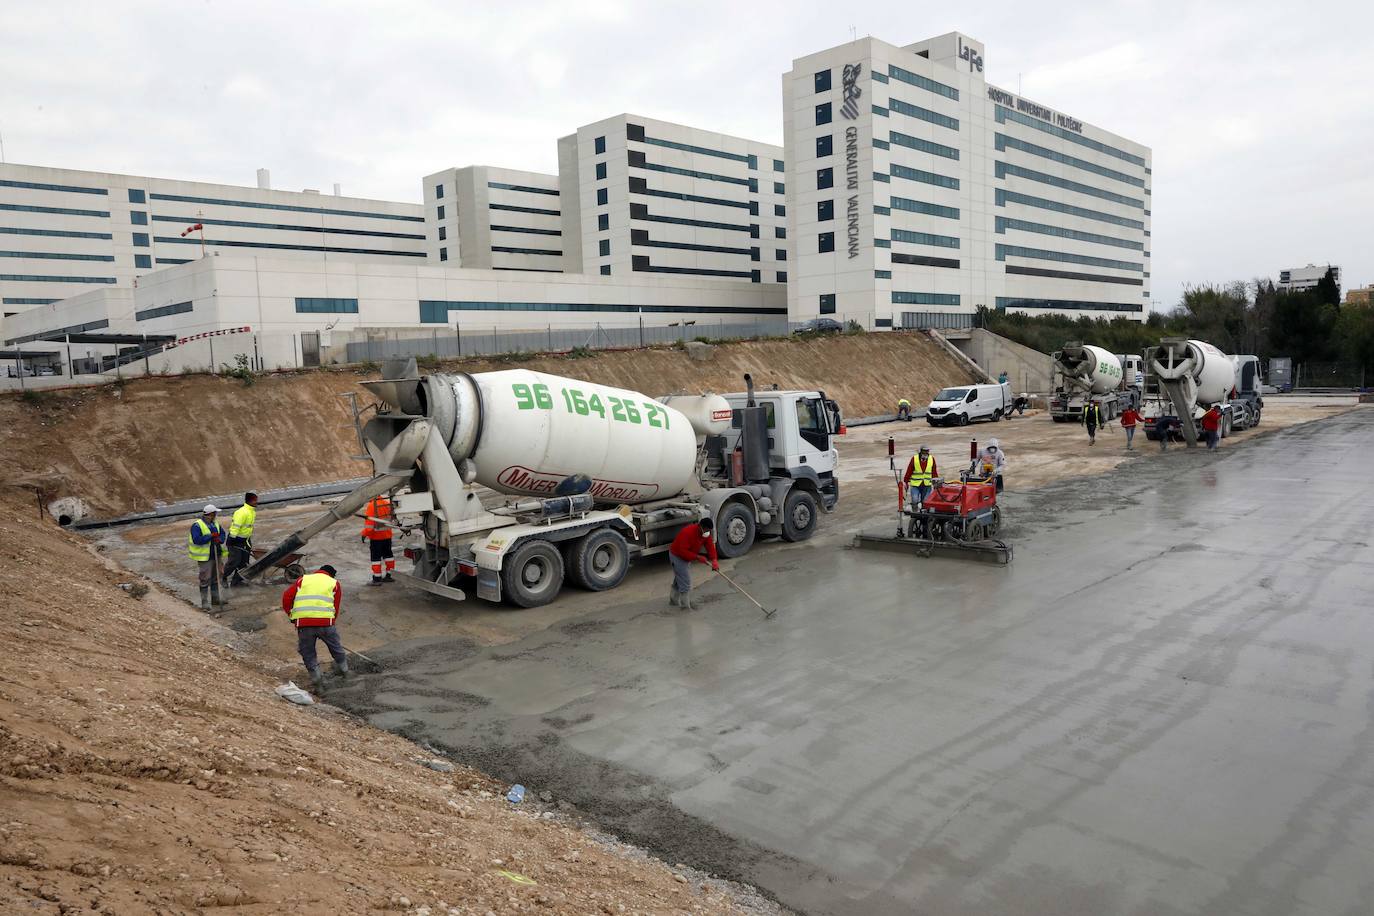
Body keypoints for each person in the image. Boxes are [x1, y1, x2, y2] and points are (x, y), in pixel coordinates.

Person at [281, 564, 346, 691]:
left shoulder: (303, 580)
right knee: (336, 647)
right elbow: (335, 606)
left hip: (304, 624)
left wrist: (292, 615)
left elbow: (287, 597)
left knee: (308, 653)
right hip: (326, 623)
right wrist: (331, 622)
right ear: (331, 575)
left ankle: (318, 684)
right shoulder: (334, 583)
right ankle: (345, 672)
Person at [668, 517, 718, 610]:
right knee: (685, 581)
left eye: (709, 530)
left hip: (687, 556)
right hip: (677, 556)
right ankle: (685, 607)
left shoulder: (705, 534)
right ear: (701, 527)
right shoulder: (688, 532)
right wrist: (697, 557)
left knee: (680, 577)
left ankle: (673, 600)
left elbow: (710, 545)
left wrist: (714, 560)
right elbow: (682, 551)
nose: (708, 532)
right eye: (706, 530)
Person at [188, 505, 228, 611]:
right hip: (205, 557)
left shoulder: (215, 524)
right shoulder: (197, 525)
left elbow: (222, 533)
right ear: (210, 514)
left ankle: (215, 599)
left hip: (216, 554)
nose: (216, 515)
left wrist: (220, 539)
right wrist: (210, 536)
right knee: (205, 578)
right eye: (215, 513)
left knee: (216, 577)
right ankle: (204, 602)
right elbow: (197, 539)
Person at [222, 492, 259, 587]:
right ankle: (224, 578)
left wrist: (248, 541)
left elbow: (248, 528)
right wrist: (232, 539)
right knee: (234, 562)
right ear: (250, 501)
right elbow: (235, 527)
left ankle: (236, 582)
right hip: (235, 541)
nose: (257, 502)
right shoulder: (241, 512)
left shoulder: (252, 512)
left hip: (245, 541)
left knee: (243, 563)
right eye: (255, 500)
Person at [361, 494, 396, 585]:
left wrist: (364, 534)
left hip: (376, 537)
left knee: (376, 558)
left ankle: (377, 578)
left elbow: (369, 525)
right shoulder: (386, 503)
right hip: (387, 536)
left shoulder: (372, 506)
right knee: (388, 556)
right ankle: (389, 575)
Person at [904, 445, 937, 511]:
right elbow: (909, 470)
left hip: (927, 485)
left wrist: (936, 482)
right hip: (916, 485)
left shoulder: (931, 459)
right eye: (924, 452)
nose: (925, 453)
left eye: (927, 452)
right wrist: (906, 481)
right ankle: (915, 513)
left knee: (925, 501)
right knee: (915, 500)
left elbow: (934, 472)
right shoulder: (914, 459)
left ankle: (924, 516)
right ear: (921, 452)